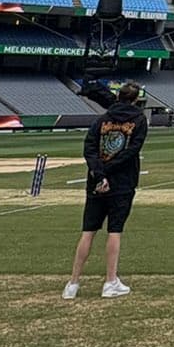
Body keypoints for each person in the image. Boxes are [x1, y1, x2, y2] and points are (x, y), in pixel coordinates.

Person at [64, 82, 148, 299]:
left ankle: (73, 283)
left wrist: (99, 172)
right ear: (136, 99)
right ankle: (110, 281)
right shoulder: (138, 119)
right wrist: (107, 172)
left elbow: (89, 148)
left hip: (96, 181)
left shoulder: (102, 120)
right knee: (114, 231)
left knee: (88, 232)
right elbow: (132, 150)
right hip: (121, 181)